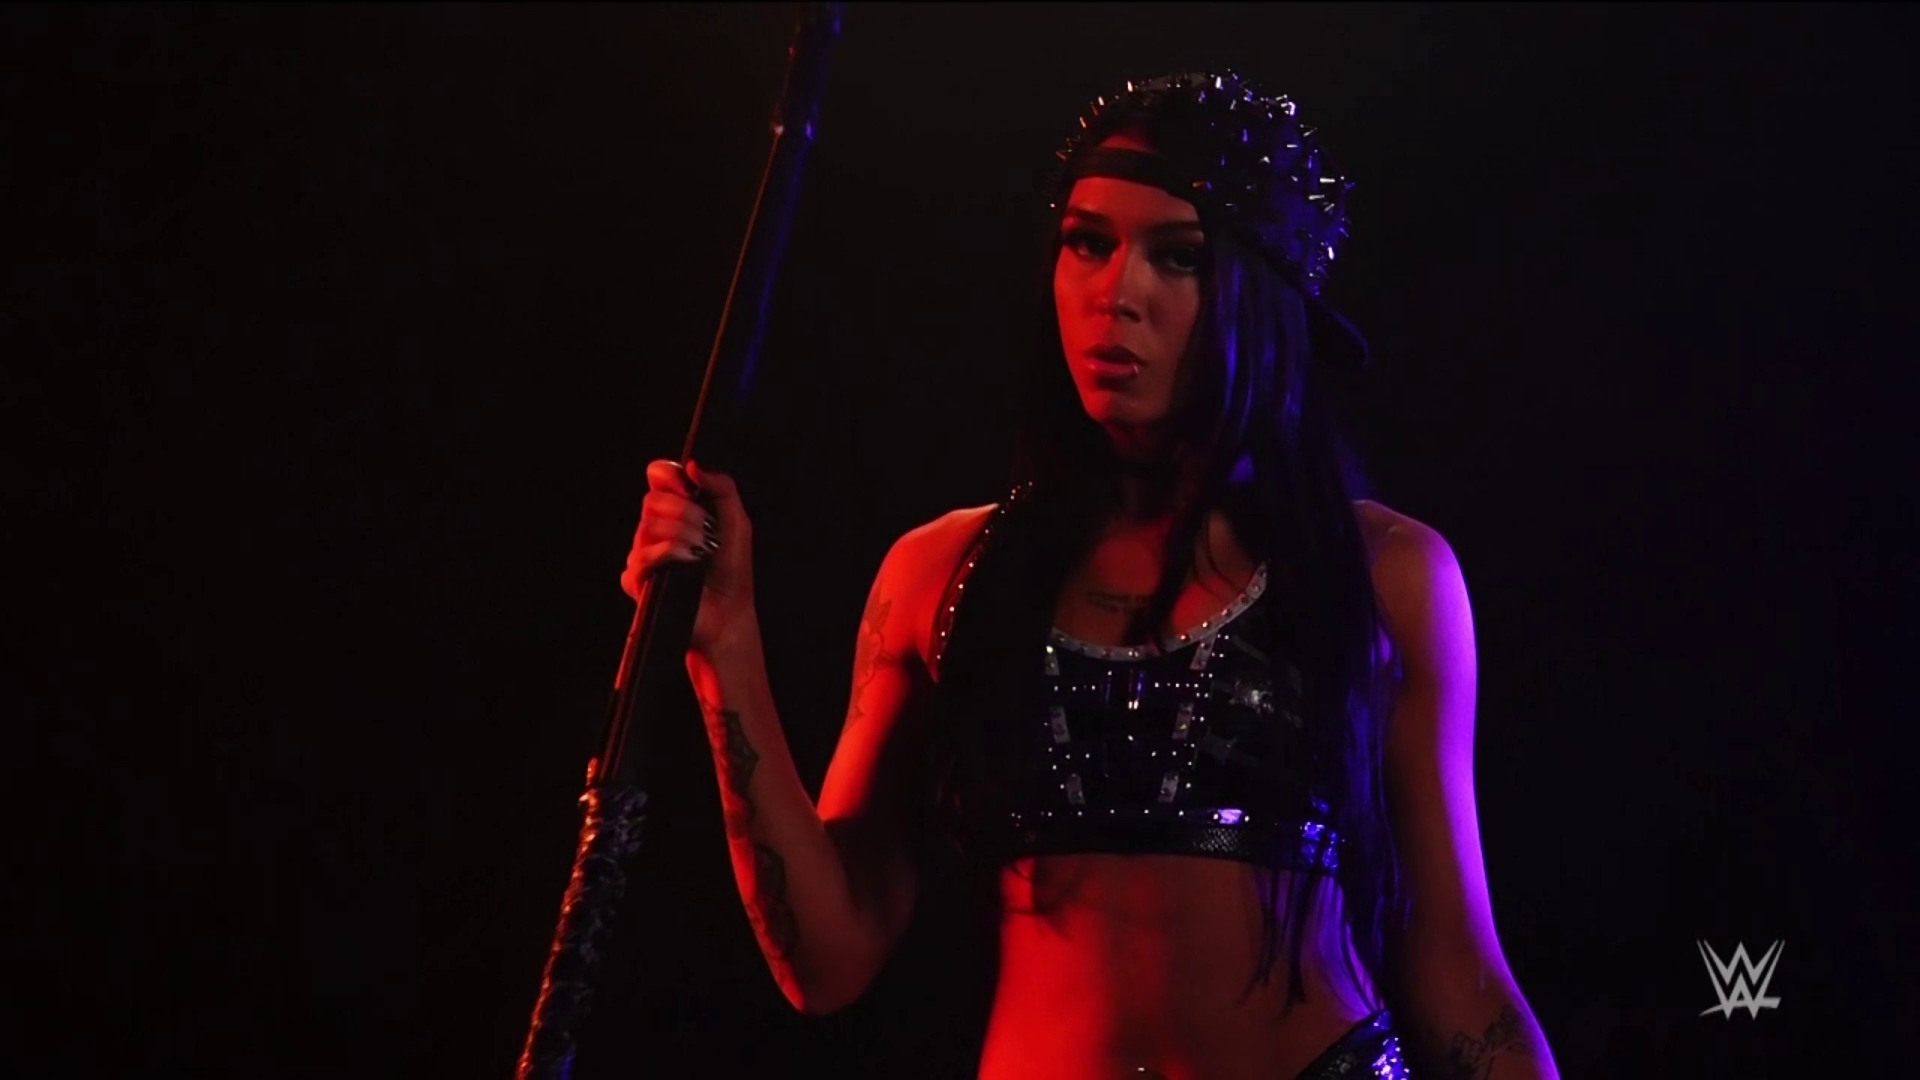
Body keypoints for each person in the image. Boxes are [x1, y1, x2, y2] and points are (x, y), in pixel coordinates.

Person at [622, 71, 1559, 1080]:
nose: (1117, 295)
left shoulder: (1383, 574)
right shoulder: (943, 575)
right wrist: (725, 649)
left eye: (1178, 257)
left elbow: (1458, 971)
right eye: (1087, 243)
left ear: (1261, 293)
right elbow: (826, 960)